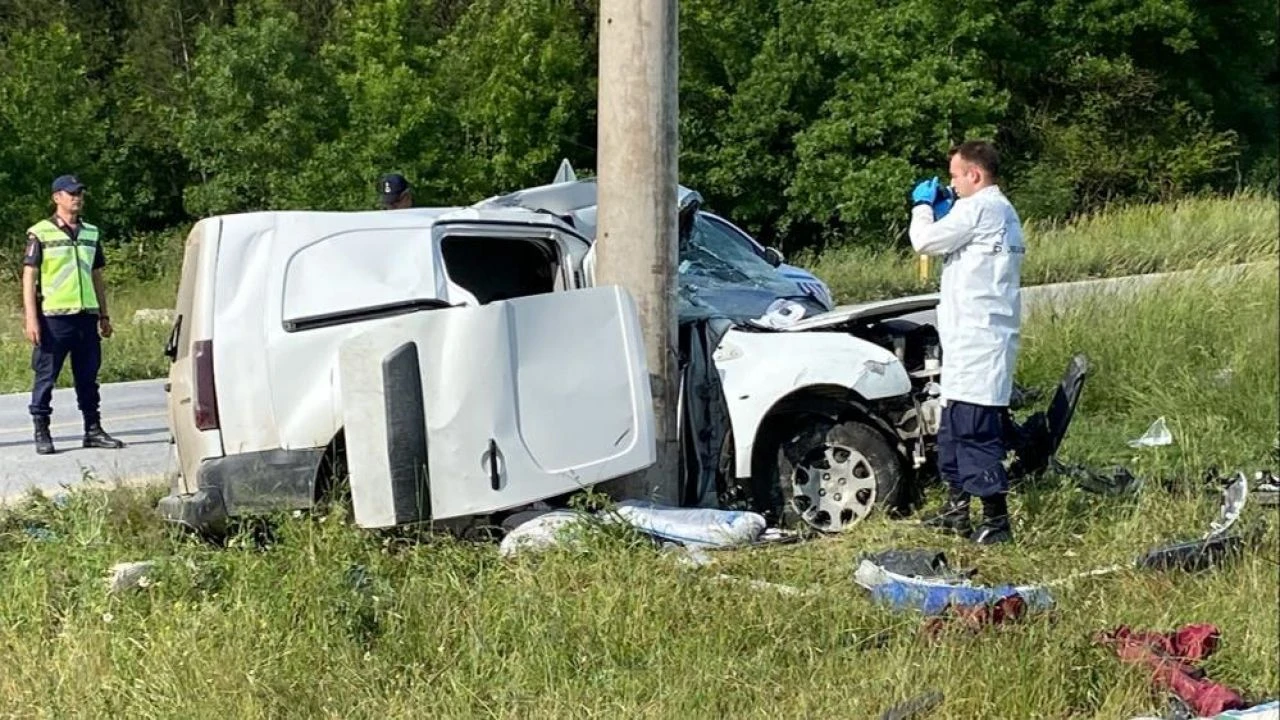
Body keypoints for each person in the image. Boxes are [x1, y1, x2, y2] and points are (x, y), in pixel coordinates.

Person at [907, 141, 1025, 544]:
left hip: (980, 342)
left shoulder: (979, 209)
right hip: (969, 340)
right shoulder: (999, 211)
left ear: (974, 174)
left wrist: (923, 208)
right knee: (953, 431)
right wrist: (949, 212)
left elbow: (924, 241)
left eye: (955, 176)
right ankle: (957, 511)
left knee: (975, 432)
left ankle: (996, 522)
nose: (951, 184)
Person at [22, 174, 125, 455]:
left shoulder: (91, 232)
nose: (77, 198)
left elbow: (96, 275)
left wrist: (104, 315)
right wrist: (31, 318)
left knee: (88, 377)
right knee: (46, 377)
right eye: (71, 194)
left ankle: (93, 429)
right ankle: (42, 430)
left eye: (79, 193)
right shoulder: (41, 232)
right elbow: (29, 277)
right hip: (54, 318)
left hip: (86, 316)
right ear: (57, 198)